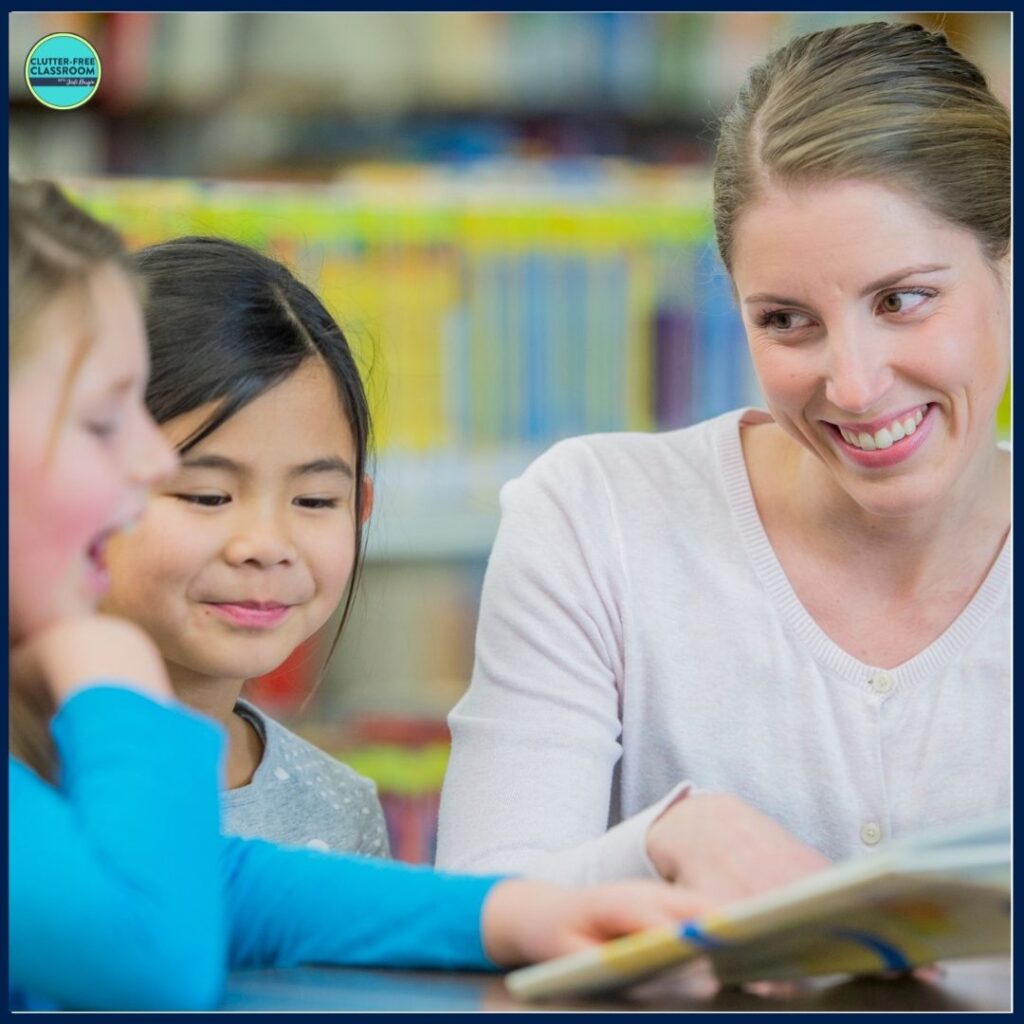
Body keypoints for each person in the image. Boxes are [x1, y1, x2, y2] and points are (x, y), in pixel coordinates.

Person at [7, 179, 713, 1011]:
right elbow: (145, 959)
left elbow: (226, 883)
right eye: (100, 423)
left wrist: (524, 914)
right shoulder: (98, 689)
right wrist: (115, 680)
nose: (147, 462)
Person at [436, 20, 1011, 898]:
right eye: (786, 320)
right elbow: (484, 908)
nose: (853, 386)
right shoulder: (597, 520)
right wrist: (670, 838)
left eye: (902, 300)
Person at [99, 237, 389, 856]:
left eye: (314, 501)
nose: (265, 546)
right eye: (206, 496)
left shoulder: (338, 812)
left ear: (361, 508)